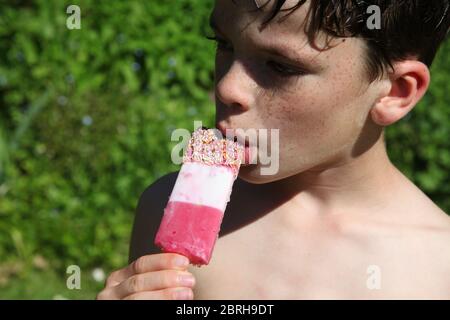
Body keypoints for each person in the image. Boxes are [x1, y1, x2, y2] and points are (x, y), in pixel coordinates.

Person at [97, 0, 450, 300]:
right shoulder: (161, 205)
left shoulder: (436, 271)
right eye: (224, 44)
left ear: (395, 92)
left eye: (281, 66)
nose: (227, 87)